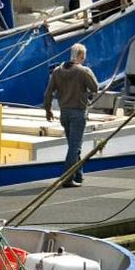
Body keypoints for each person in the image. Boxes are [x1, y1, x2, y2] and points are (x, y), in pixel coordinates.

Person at [44, 43, 99, 187]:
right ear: (80, 55)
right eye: (84, 56)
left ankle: (79, 176)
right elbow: (95, 87)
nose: (85, 59)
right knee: (75, 147)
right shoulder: (83, 71)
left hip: (64, 114)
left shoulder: (56, 71)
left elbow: (48, 92)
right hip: (78, 113)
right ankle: (67, 179)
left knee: (73, 145)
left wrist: (48, 110)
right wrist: (88, 71)